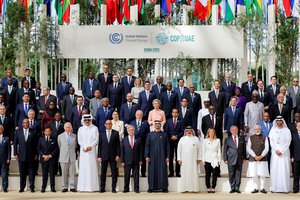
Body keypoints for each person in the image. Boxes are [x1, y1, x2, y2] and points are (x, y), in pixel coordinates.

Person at [14, 118, 38, 193]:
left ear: (29, 123)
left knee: (31, 172)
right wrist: (15, 154)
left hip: (31, 156)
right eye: (24, 122)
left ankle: (32, 187)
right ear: (22, 123)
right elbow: (15, 144)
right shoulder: (18, 132)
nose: (26, 124)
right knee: (22, 173)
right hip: (21, 156)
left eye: (27, 122)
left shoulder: (33, 132)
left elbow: (36, 144)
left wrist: (36, 154)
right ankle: (22, 187)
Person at [145, 120, 170, 193]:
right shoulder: (150, 134)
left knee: (163, 171)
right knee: (152, 171)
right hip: (152, 157)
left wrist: (167, 156)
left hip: (162, 157)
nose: (157, 125)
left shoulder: (164, 135)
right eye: (156, 124)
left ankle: (164, 187)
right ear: (154, 125)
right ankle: (151, 187)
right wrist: (147, 156)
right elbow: (147, 146)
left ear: (161, 125)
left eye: (159, 124)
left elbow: (167, 147)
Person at [269, 116, 291, 193]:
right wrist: (276, 150)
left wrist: (282, 150)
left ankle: (285, 188)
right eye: (277, 121)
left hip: (284, 153)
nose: (279, 122)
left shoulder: (287, 130)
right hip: (275, 153)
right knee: (275, 169)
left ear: (282, 121)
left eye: (280, 121)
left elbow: (288, 142)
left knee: (284, 170)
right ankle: (274, 188)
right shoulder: (273, 130)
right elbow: (271, 141)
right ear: (276, 122)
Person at [77, 114, 99, 192]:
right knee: (83, 168)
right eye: (85, 120)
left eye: (88, 120)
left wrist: (90, 147)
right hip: (83, 152)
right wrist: (84, 147)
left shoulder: (95, 128)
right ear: (83, 121)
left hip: (92, 151)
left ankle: (92, 187)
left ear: (91, 120)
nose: (87, 121)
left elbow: (96, 139)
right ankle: (82, 187)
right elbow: (79, 140)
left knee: (91, 168)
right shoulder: (80, 129)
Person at [98, 120, 120, 193]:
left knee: (114, 172)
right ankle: (102, 188)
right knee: (103, 172)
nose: (108, 125)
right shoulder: (101, 134)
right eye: (107, 124)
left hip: (113, 156)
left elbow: (118, 146)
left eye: (110, 123)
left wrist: (118, 155)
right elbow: (100, 146)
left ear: (111, 124)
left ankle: (113, 188)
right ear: (105, 125)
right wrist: (99, 156)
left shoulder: (116, 133)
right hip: (104, 156)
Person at [177, 127, 201, 193]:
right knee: (185, 174)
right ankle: (184, 188)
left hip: (194, 160)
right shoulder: (182, 139)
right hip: (184, 160)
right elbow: (179, 150)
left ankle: (194, 189)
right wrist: (179, 159)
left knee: (194, 174)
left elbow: (199, 149)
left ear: (192, 131)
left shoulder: (196, 139)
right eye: (187, 131)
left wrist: (199, 158)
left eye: (190, 131)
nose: (189, 132)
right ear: (185, 132)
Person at [246, 125, 269, 194]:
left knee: (262, 174)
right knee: (254, 174)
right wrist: (254, 156)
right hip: (253, 159)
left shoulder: (265, 137)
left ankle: (262, 188)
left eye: (258, 129)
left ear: (260, 129)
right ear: (254, 130)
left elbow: (267, 148)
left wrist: (261, 156)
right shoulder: (251, 138)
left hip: (263, 159)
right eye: (255, 129)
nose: (257, 130)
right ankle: (255, 188)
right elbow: (248, 148)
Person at [223, 125, 246, 193]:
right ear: (230, 131)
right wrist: (225, 159)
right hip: (230, 159)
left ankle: (237, 188)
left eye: (235, 130)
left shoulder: (241, 138)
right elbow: (225, 150)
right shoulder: (227, 139)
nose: (234, 131)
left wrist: (244, 158)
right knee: (231, 174)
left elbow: (244, 149)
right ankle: (232, 188)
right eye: (233, 130)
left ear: (237, 130)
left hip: (239, 159)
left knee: (238, 173)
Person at [121, 125, 142, 193]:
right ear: (127, 131)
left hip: (136, 160)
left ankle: (136, 189)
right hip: (127, 160)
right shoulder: (124, 139)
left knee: (136, 176)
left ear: (134, 131)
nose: (131, 131)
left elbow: (140, 151)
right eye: (130, 130)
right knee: (126, 175)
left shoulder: (138, 139)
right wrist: (122, 161)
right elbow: (122, 151)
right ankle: (126, 188)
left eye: (132, 130)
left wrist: (140, 160)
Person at [37, 126, 58, 193]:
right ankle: (43, 187)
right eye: (46, 131)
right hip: (44, 159)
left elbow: (56, 149)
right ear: (44, 132)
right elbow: (38, 149)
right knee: (44, 174)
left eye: (49, 131)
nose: (48, 132)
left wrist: (49, 156)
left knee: (52, 174)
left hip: (51, 159)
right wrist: (43, 156)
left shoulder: (54, 139)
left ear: (51, 132)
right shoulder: (41, 139)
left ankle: (52, 187)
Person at [57, 122, 77, 193]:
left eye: (69, 127)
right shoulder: (60, 136)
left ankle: (72, 186)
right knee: (64, 173)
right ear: (64, 128)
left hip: (72, 156)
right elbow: (60, 146)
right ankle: (64, 186)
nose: (68, 129)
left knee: (72, 172)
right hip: (63, 157)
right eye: (67, 127)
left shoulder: (74, 136)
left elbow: (75, 146)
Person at [130, 110, 149, 177]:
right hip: (134, 142)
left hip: (143, 142)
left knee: (143, 157)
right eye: (138, 114)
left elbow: (147, 133)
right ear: (135, 115)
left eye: (140, 115)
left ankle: (143, 172)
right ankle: (133, 172)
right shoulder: (132, 122)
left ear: (142, 115)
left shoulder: (145, 123)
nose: (139, 116)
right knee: (134, 156)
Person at [202, 128, 221, 193]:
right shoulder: (205, 141)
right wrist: (203, 160)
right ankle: (208, 187)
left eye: (212, 132)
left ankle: (213, 187)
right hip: (207, 159)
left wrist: (219, 160)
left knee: (215, 174)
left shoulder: (218, 140)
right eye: (210, 132)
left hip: (215, 159)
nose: (211, 133)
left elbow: (219, 151)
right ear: (208, 133)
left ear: (214, 133)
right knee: (207, 174)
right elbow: (203, 151)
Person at [165, 108, 183, 177]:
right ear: (172, 113)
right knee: (171, 156)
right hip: (170, 141)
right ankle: (171, 172)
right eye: (173, 112)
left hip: (178, 141)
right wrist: (171, 136)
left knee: (178, 157)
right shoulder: (168, 121)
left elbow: (182, 131)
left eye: (176, 112)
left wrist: (177, 136)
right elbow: (166, 130)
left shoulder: (181, 121)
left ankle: (178, 172)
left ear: (178, 113)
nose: (174, 114)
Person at [0, 125, 11, 193]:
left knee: (4, 174)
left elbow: (9, 150)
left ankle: (5, 188)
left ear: (2, 130)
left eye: (0, 129)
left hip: (4, 159)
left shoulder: (6, 138)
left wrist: (8, 158)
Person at [291, 122, 300, 193]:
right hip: (296, 157)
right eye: (298, 126)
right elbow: (292, 147)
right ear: (296, 127)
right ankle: (295, 189)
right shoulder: (293, 135)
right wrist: (292, 156)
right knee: (296, 174)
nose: (299, 127)